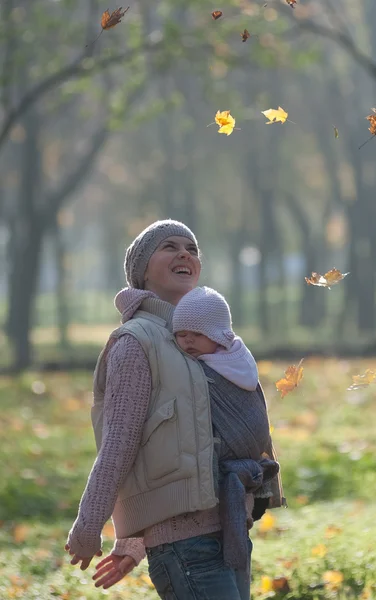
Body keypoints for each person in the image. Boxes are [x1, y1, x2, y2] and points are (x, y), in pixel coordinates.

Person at [65, 219, 285, 600]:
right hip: (185, 546)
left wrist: (133, 544)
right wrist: (91, 526)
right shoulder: (136, 343)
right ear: (142, 271)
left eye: (192, 249)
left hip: (230, 530)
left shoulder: (207, 342)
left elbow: (195, 442)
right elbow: (120, 444)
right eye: (169, 246)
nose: (185, 253)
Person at [173, 286, 259, 391]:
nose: (189, 339)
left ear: (219, 336)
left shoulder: (234, 364)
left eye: (198, 334)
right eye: (182, 334)